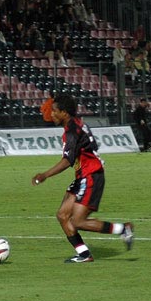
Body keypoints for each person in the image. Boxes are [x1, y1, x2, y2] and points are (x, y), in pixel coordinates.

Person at [30, 94, 134, 263]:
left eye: (55, 111)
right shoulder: (76, 124)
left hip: (91, 175)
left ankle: (123, 229)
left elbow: (67, 161)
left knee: (78, 221)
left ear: (64, 112)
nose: (52, 114)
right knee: (63, 215)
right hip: (83, 175)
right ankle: (84, 254)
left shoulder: (72, 131)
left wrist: (44, 175)